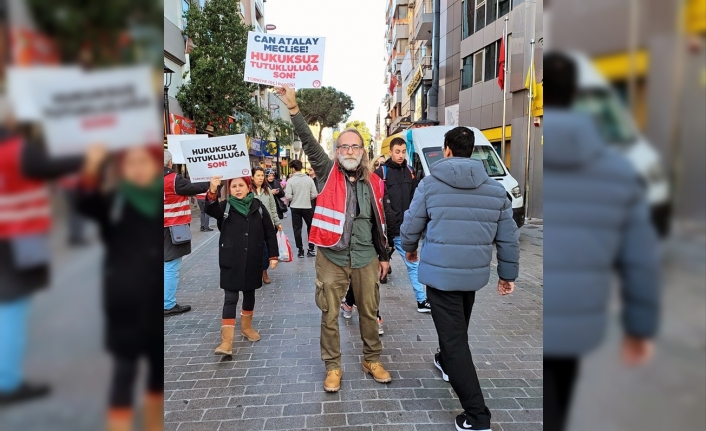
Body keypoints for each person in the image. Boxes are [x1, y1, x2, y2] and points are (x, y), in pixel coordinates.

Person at [543, 52, 660, 431]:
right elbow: (640, 257)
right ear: (577, 94)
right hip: (582, 317)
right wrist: (640, 327)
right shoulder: (618, 169)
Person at [400, 126, 520, 431]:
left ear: (447, 150)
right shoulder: (496, 190)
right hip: (473, 276)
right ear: (473, 151)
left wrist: (410, 249)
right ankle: (444, 358)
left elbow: (411, 224)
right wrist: (507, 275)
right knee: (456, 329)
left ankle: (477, 416)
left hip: (440, 277)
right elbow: (508, 239)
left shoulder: (430, 185)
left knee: (456, 342)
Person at [275, 84, 391, 393]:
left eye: (355, 147)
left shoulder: (375, 183)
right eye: (344, 147)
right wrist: (294, 109)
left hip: (366, 258)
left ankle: (372, 359)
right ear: (337, 152)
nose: (350, 152)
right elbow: (309, 142)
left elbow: (380, 223)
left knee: (369, 312)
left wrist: (384, 256)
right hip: (332, 258)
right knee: (329, 314)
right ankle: (333, 366)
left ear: (363, 151)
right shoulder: (326, 172)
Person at [0, 98, 82, 405]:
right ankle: (7, 382)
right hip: (19, 237)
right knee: (13, 307)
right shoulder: (18, 150)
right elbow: (59, 165)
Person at [77, 144, 164, 431]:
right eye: (131, 163)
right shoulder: (114, 200)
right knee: (124, 370)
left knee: (156, 372)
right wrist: (91, 169)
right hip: (124, 298)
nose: (138, 168)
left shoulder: (161, 199)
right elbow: (86, 205)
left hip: (153, 297)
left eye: (143, 162)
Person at [205, 175, 279, 350]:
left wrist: (273, 256)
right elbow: (210, 209)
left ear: (248, 187)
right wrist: (213, 190)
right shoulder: (225, 206)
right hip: (231, 259)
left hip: (253, 258)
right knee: (230, 298)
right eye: (233, 186)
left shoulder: (258, 206)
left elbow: (270, 232)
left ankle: (246, 327)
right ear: (229, 190)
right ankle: (226, 341)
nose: (237, 189)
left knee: (249, 294)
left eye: (241, 185)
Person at [374, 138, 430, 312]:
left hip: (401, 230)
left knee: (413, 264)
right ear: (390, 152)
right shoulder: (380, 172)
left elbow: (415, 200)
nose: (400, 155)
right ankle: (353, 301)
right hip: (382, 231)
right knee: (370, 269)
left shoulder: (410, 171)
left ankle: (421, 300)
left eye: (403, 151)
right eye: (397, 151)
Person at [163, 150, 210, 316]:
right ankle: (168, 304)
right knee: (171, 265)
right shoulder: (173, 180)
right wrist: (210, 176)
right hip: (172, 227)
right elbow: (199, 187)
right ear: (170, 163)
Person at [252, 166, 283, 284]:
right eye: (258, 175)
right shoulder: (249, 192)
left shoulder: (267, 191)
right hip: (253, 226)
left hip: (266, 226)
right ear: (252, 177)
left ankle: (264, 271)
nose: (260, 178)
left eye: (262, 176)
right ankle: (255, 271)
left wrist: (277, 223)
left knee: (265, 249)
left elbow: (272, 208)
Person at [284, 159, 318, 258]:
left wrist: (295, 198)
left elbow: (288, 196)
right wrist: (307, 198)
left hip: (295, 207)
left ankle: (300, 250)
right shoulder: (309, 179)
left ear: (294, 169)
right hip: (308, 206)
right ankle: (311, 249)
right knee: (310, 227)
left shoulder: (290, 180)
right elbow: (315, 194)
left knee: (297, 229)